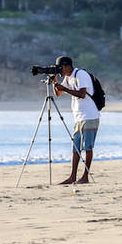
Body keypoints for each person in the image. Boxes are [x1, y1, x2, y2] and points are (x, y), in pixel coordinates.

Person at [52, 55, 99, 184]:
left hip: (89, 115)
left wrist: (65, 88)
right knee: (76, 147)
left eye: (60, 69)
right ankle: (72, 176)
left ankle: (85, 176)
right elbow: (58, 93)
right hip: (78, 117)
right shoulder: (68, 77)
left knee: (87, 147)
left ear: (67, 66)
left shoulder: (81, 74)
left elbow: (82, 94)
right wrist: (54, 82)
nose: (59, 71)